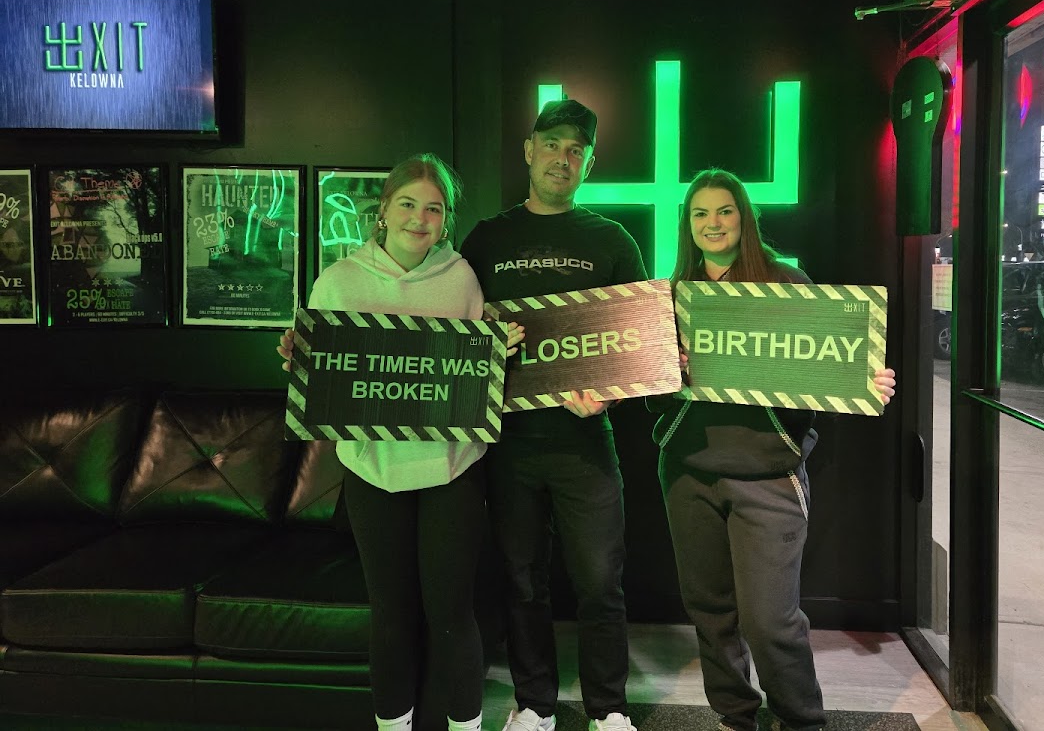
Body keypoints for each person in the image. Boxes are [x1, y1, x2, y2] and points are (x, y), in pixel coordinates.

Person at [277, 153, 522, 731]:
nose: (420, 218)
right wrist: (300, 362)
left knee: (452, 614)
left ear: (446, 219)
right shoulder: (338, 281)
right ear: (383, 210)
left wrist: (499, 351)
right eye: (408, 204)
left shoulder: (461, 278)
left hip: (452, 471)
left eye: (434, 209)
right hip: (373, 471)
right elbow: (324, 380)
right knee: (389, 614)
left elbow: (473, 377)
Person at [650, 168, 896, 731]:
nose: (713, 223)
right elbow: (649, 394)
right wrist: (667, 376)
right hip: (687, 473)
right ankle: (734, 717)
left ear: (745, 218)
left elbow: (827, 360)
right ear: (687, 225)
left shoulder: (785, 281)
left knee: (770, 621)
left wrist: (863, 382)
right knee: (710, 611)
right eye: (700, 214)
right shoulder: (672, 296)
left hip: (768, 477)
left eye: (725, 211)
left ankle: (801, 721)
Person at [459, 99, 646, 731]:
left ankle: (608, 710)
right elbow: (453, 330)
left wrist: (610, 393)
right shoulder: (487, 239)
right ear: (528, 150)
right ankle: (534, 704)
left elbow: (638, 341)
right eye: (552, 144)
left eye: (576, 149)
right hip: (507, 442)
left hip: (586, 441)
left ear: (589, 162)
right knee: (521, 581)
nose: (562, 158)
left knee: (600, 584)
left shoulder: (612, 240)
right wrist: (484, 333)